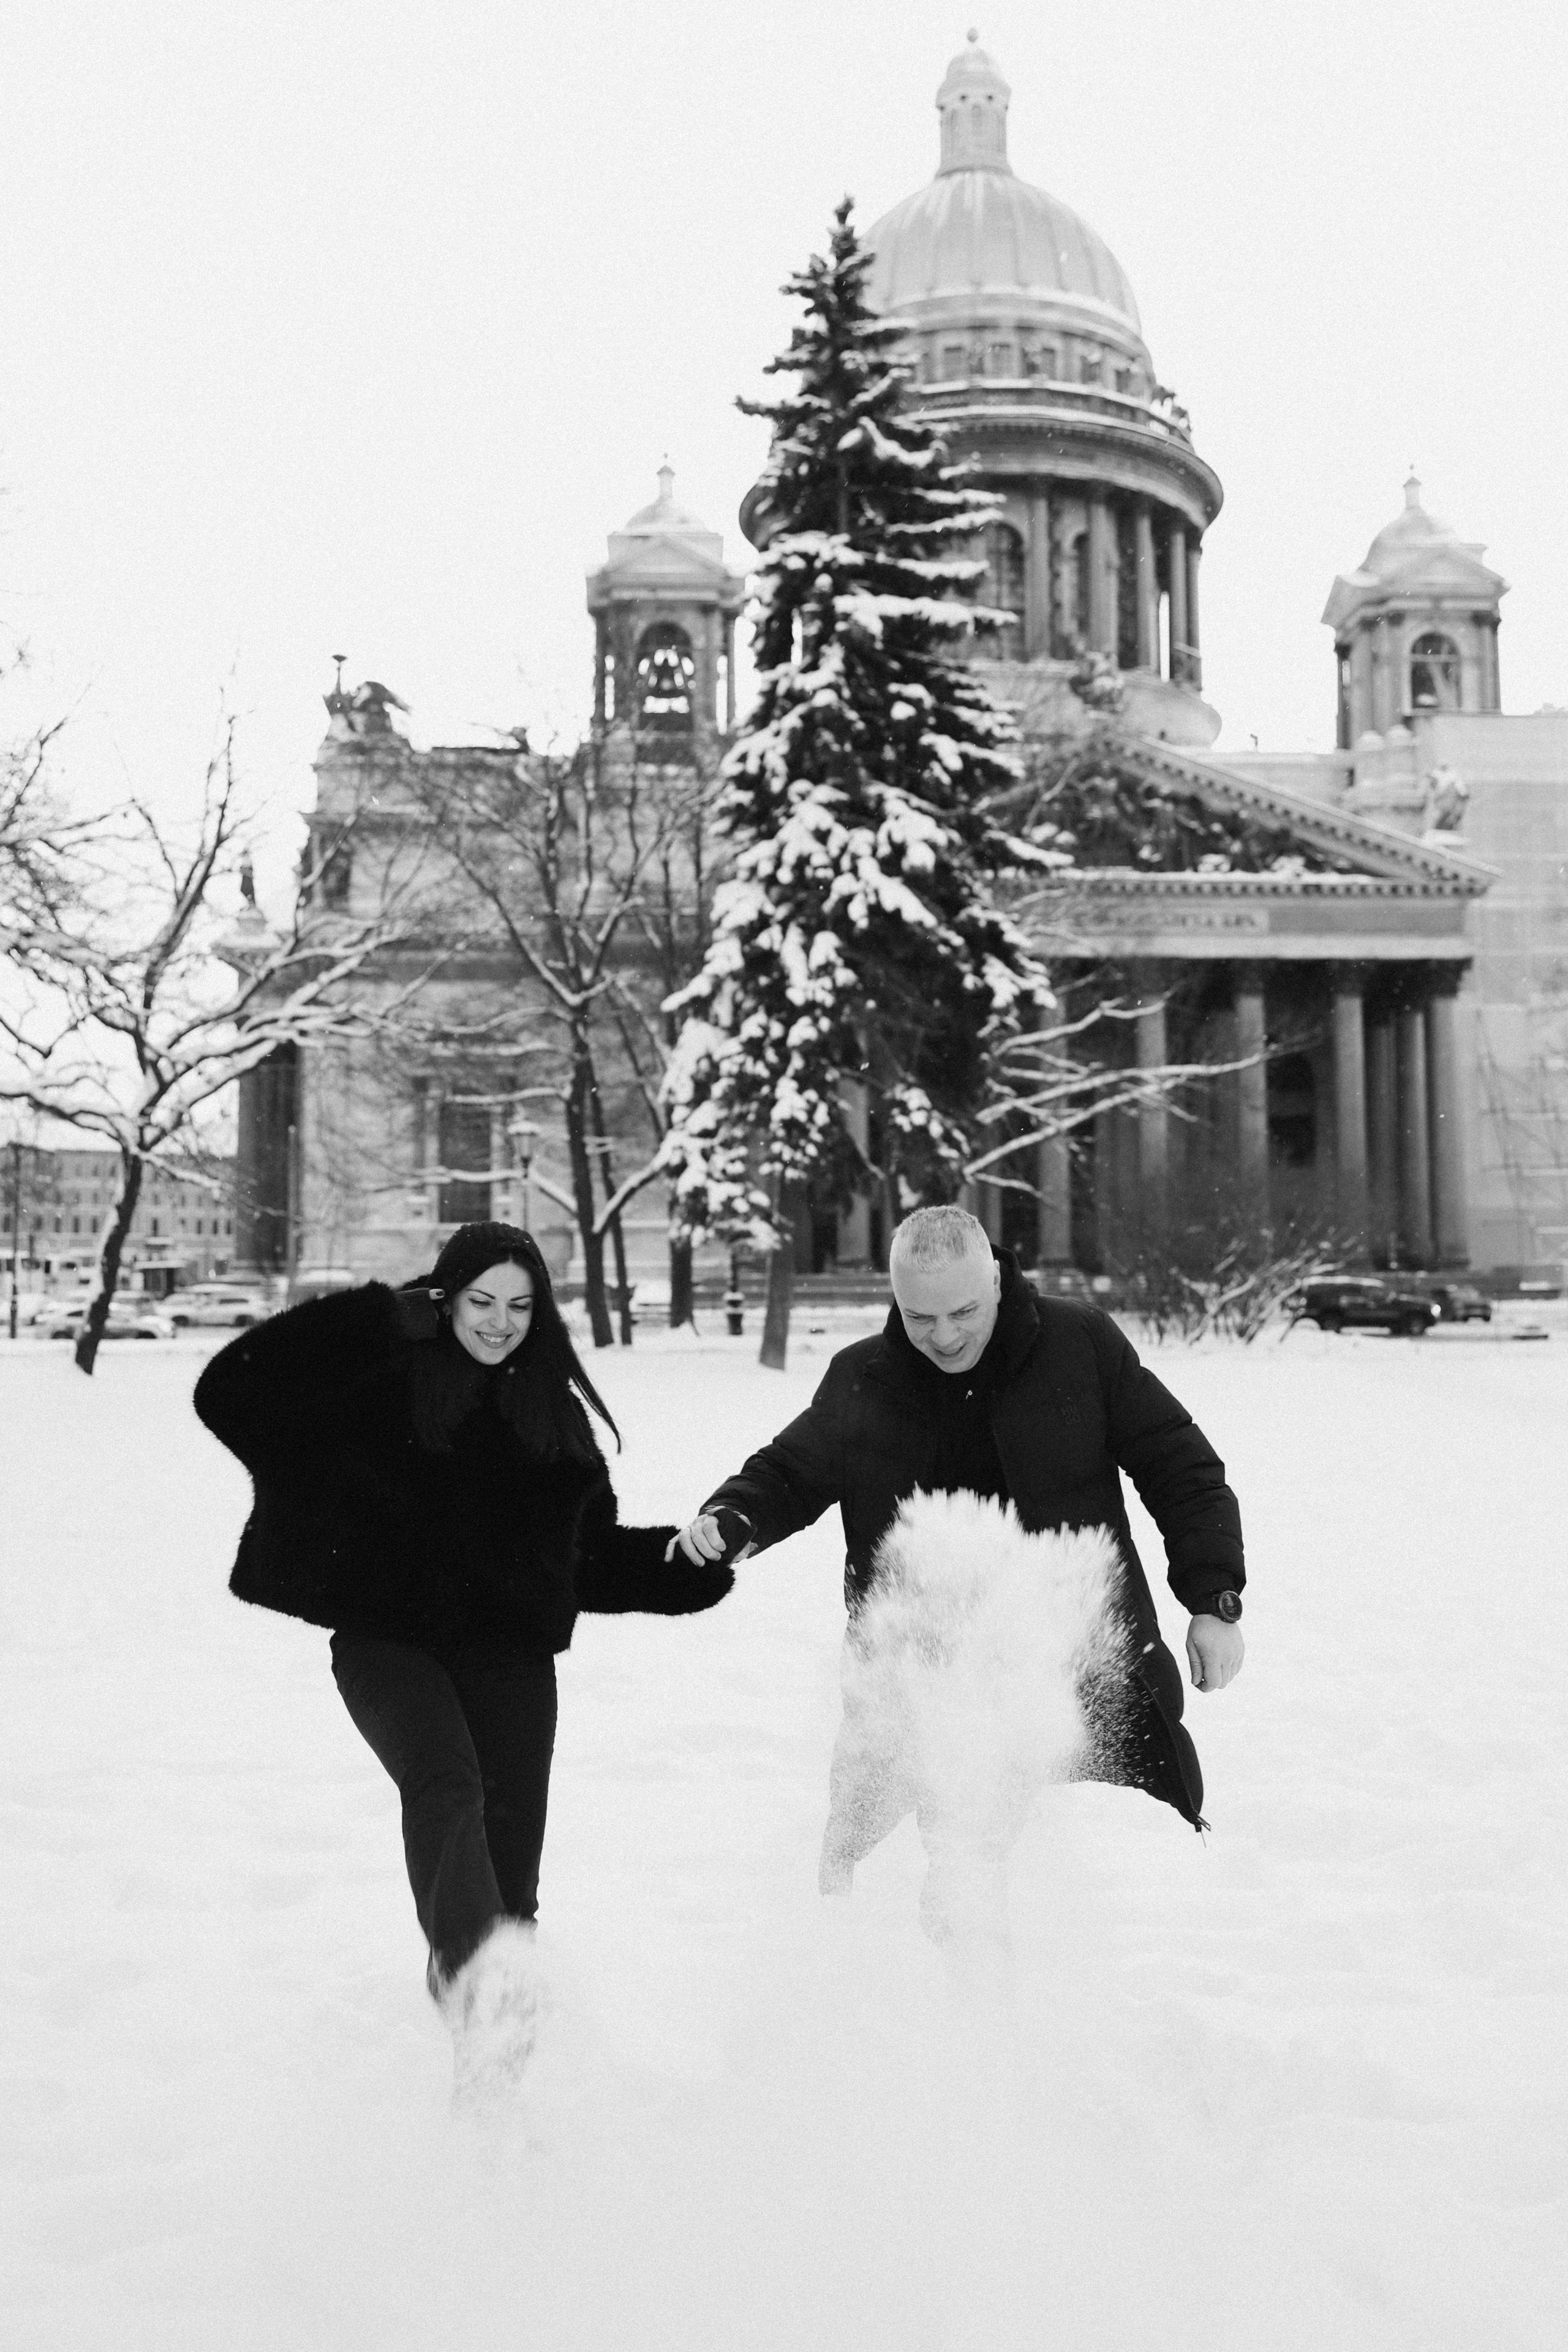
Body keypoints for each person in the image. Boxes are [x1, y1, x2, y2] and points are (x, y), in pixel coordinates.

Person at [195, 1221, 731, 2106]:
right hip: (386, 1641)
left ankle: (490, 2101)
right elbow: (231, 1393)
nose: (500, 1322)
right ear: (442, 1298)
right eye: (480, 1301)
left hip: (511, 1658)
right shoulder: (379, 1384)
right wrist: (375, 1319)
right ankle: (472, 1981)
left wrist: (685, 1562)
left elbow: (583, 1559)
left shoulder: (550, 1420)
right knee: (447, 1785)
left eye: (521, 1306)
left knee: (511, 1887)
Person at [673, 1205, 1246, 1899]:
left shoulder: (1081, 1346)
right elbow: (789, 1473)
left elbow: (1180, 1469)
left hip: (1072, 1671)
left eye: (962, 1312)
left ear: (998, 1283)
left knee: (1080, 1887)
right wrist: (732, 1518)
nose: (942, 1337)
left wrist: (1214, 1599)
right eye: (919, 1317)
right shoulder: (865, 1377)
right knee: (886, 1885)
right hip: (918, 1682)